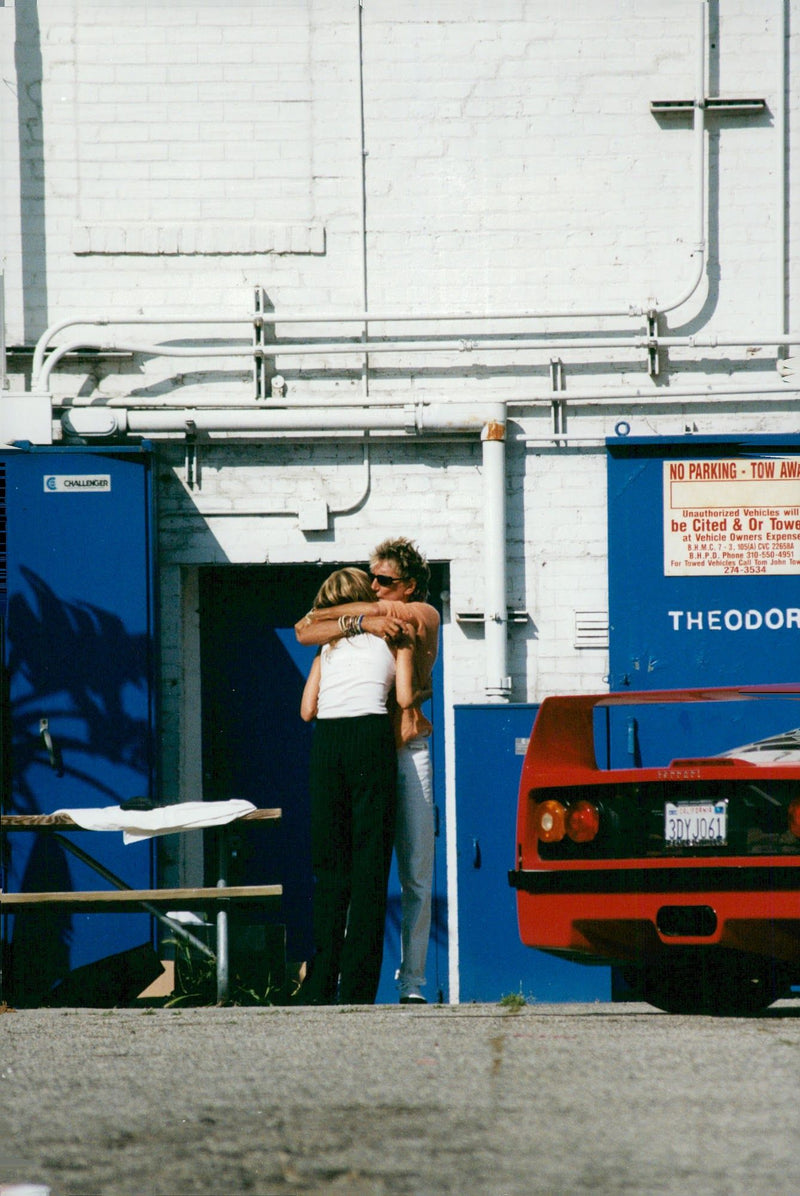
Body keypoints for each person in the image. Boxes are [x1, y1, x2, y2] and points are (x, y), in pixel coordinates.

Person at [296, 538, 440, 1005]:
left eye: (385, 581)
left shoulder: (420, 614)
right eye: (370, 577)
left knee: (414, 867)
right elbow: (304, 629)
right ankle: (345, 981)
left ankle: (412, 981)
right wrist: (354, 617)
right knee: (355, 865)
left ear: (410, 585)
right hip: (373, 744)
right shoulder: (362, 629)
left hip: (405, 746)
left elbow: (312, 624)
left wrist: (340, 610)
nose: (376, 587)